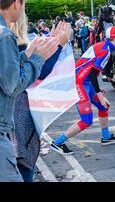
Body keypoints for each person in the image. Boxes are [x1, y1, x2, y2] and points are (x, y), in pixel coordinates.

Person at [0, 0, 59, 182]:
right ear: (17, 3)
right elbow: (12, 85)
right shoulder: (5, 35)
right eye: (23, 3)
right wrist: (37, 58)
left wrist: (25, 55)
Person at [51, 26, 115, 155]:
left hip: (83, 81)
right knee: (86, 120)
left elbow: (90, 69)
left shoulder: (103, 46)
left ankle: (106, 137)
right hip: (78, 83)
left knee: (104, 107)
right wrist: (100, 95)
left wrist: (96, 89)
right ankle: (57, 142)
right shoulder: (107, 50)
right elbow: (92, 74)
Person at [12, 19, 71, 182]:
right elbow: (40, 71)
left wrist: (53, 42)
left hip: (14, 115)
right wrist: (58, 44)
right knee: (22, 165)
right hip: (16, 115)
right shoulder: (10, 39)